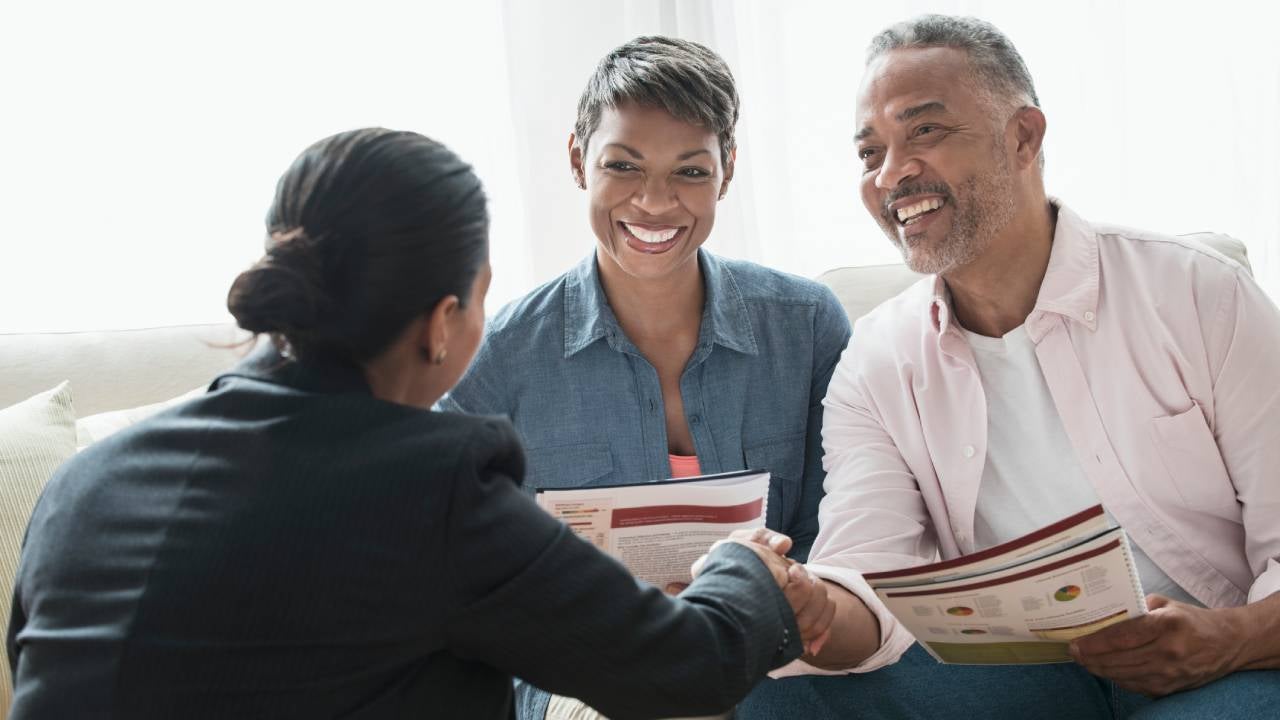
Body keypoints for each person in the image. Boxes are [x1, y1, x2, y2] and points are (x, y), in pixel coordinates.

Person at [5, 128, 829, 719]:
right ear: (443, 322)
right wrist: (745, 567)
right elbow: (684, 672)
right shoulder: (432, 485)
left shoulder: (87, 479)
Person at [738, 14, 1280, 720]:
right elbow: (865, 587)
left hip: (1220, 661)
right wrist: (809, 605)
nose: (892, 174)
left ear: (1023, 136)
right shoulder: (874, 361)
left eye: (924, 132)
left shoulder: (1198, 291)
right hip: (1015, 676)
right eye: (870, 152)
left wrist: (1227, 640)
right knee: (764, 698)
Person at [439, 36, 850, 719]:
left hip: (774, 654)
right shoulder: (499, 356)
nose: (654, 203)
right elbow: (461, 571)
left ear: (727, 171)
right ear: (579, 162)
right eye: (624, 166)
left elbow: (836, 530)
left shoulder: (805, 325)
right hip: (580, 676)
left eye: (689, 172)